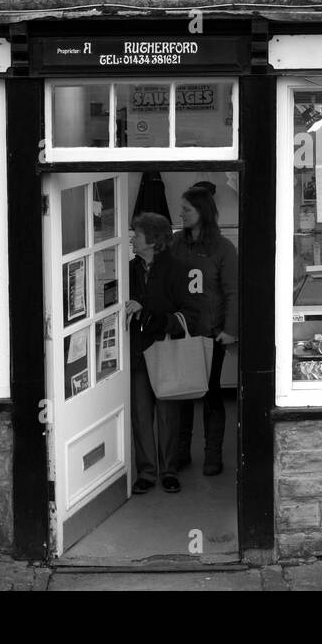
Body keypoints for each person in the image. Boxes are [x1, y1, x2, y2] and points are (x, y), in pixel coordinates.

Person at [125, 211, 205, 495]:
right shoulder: (128, 271)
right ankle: (146, 472)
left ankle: (169, 470)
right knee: (141, 415)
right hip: (136, 353)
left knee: (169, 415)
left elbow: (191, 316)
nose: (132, 238)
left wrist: (149, 315)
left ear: (153, 240)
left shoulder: (179, 270)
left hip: (166, 351)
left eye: (137, 233)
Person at [170, 181, 238, 476]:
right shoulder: (176, 243)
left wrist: (231, 330)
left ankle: (213, 456)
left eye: (186, 209)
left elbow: (234, 292)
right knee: (184, 394)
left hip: (212, 333)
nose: (181, 214)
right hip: (182, 331)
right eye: (181, 209)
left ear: (202, 212)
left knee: (211, 395)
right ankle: (182, 452)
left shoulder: (223, 248)